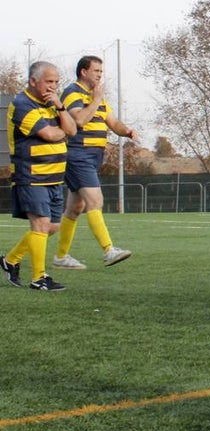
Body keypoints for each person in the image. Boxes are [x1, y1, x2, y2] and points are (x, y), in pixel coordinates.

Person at [51, 55, 136, 270]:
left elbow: (112, 122)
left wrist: (126, 131)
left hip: (93, 156)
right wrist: (97, 99)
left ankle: (61, 257)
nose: (100, 75)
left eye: (101, 71)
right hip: (78, 154)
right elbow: (78, 120)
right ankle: (109, 250)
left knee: (75, 207)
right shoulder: (73, 92)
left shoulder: (95, 96)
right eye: (96, 71)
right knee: (95, 200)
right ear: (83, 72)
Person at [3, 61, 77, 291]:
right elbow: (49, 134)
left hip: (54, 176)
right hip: (31, 175)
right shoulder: (22, 104)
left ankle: (10, 260)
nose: (52, 86)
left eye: (55, 82)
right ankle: (39, 278)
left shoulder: (54, 103)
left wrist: (61, 108)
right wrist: (61, 130)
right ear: (33, 81)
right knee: (41, 224)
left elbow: (72, 131)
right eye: (48, 81)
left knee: (52, 227)